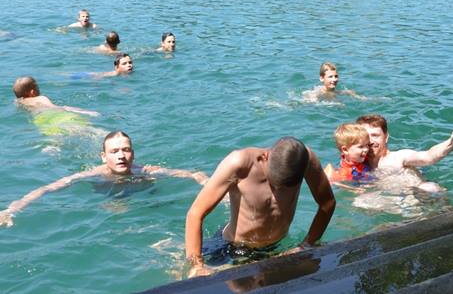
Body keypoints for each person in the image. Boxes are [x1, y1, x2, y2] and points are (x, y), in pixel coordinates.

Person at [185, 137, 335, 278]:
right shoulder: (239, 163)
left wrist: (307, 244)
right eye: (273, 183)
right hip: (232, 246)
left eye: (284, 187)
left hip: (277, 246)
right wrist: (197, 265)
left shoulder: (305, 160)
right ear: (265, 157)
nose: (277, 191)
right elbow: (195, 214)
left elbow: (327, 203)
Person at [0, 130, 208, 227]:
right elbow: (48, 188)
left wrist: (206, 183)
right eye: (114, 151)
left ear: (133, 154)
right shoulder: (92, 174)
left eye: (125, 150)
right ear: (104, 156)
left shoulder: (145, 170)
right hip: (108, 199)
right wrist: (12, 209)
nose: (120, 156)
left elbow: (192, 174)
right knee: (116, 210)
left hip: (142, 194)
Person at [358, 114, 453, 174]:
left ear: (386, 137)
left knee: (430, 188)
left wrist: (450, 143)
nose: (370, 141)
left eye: (375, 135)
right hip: (391, 204)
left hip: (419, 199)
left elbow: (428, 157)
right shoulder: (357, 165)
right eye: (366, 137)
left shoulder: (399, 157)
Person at [13, 76, 99, 117]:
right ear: (32, 92)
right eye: (37, 87)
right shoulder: (40, 98)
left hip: (40, 120)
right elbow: (56, 108)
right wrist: (86, 112)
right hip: (55, 115)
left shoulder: (19, 102)